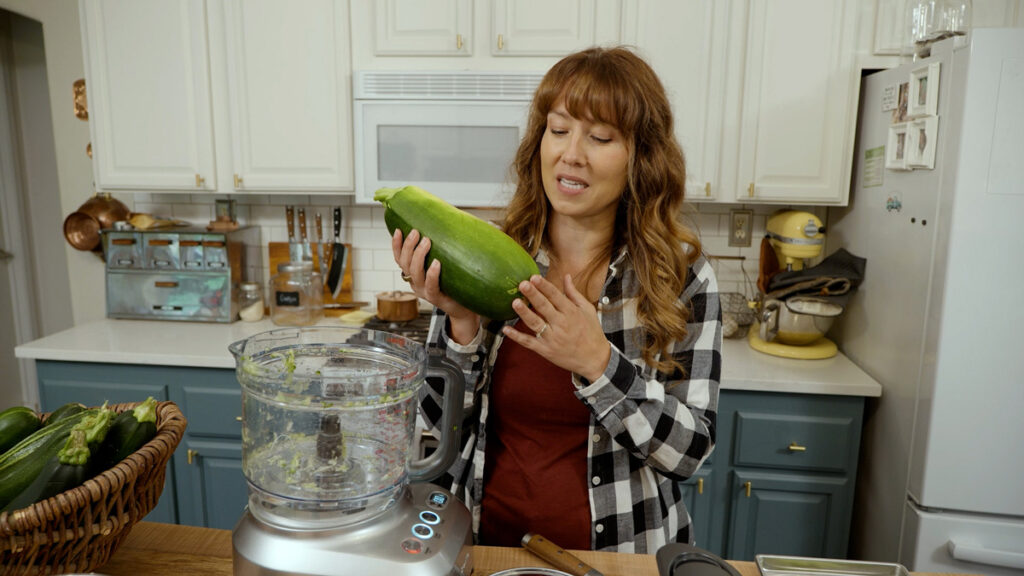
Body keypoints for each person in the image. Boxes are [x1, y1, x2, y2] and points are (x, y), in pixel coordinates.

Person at [391, 46, 721, 554]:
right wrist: (460, 324)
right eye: (559, 128)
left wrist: (598, 362)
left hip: (621, 561)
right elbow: (434, 439)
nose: (571, 153)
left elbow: (690, 453)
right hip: (488, 551)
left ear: (641, 155)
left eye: (601, 136)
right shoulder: (491, 257)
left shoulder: (681, 276)